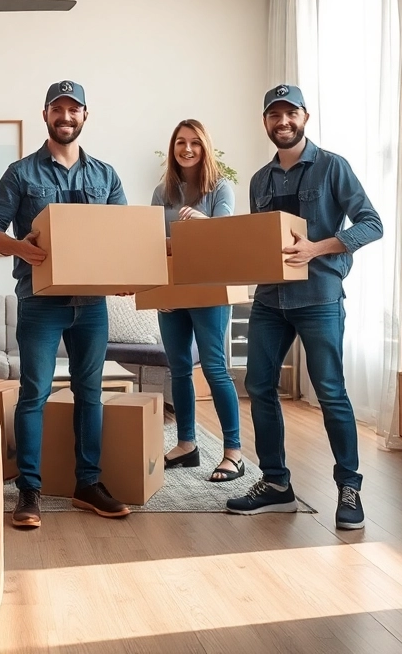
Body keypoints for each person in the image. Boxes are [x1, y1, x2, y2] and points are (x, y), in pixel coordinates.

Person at [225, 84, 382, 530]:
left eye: (290, 113)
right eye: (274, 115)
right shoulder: (259, 180)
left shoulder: (333, 167)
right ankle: (276, 484)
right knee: (258, 386)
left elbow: (372, 224)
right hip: (269, 299)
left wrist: (317, 248)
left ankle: (349, 487)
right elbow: (262, 241)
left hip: (319, 297)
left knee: (330, 391)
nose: (283, 122)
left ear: (305, 117)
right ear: (265, 122)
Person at [0, 80, 131, 529]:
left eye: (73, 109)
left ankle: (88, 484)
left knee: (90, 393)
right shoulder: (21, 173)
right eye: (57, 109)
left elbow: (124, 236)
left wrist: (126, 276)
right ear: (45, 115)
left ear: (85, 115)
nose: (66, 117)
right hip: (40, 301)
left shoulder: (105, 176)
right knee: (34, 394)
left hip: (92, 305)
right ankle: (29, 490)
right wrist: (19, 248)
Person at [150, 119, 244, 482]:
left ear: (205, 148)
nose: (187, 149)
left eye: (194, 143)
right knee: (178, 369)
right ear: (173, 149)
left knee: (215, 368)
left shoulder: (220, 187)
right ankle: (186, 445)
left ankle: (233, 453)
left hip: (209, 289)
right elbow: (152, 244)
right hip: (173, 290)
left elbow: (227, 237)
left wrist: (203, 222)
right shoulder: (162, 192)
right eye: (180, 143)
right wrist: (159, 291)